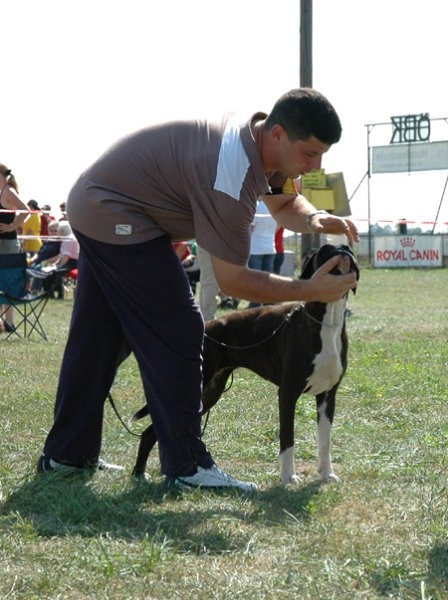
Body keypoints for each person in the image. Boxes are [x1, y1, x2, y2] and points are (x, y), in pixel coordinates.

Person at [37, 88, 359, 492]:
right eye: (311, 154)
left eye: (321, 155)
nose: (316, 164)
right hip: (112, 210)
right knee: (181, 328)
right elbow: (233, 281)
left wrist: (316, 218)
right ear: (278, 134)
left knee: (98, 337)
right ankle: (186, 465)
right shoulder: (233, 175)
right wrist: (311, 289)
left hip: (99, 201)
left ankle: (65, 455)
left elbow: (282, 204)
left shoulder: (264, 143)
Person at [0, 164, 29, 333]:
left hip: (6, 243)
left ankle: (9, 322)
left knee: (7, 280)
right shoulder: (3, 191)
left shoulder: (8, 191)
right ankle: (6, 322)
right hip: (4, 243)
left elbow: (26, 210)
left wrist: (13, 226)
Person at [248, 199, 277, 308]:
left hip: (256, 248)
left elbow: (251, 227)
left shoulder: (258, 207)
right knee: (267, 279)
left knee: (255, 278)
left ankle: (255, 303)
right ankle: (267, 303)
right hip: (270, 246)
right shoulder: (274, 208)